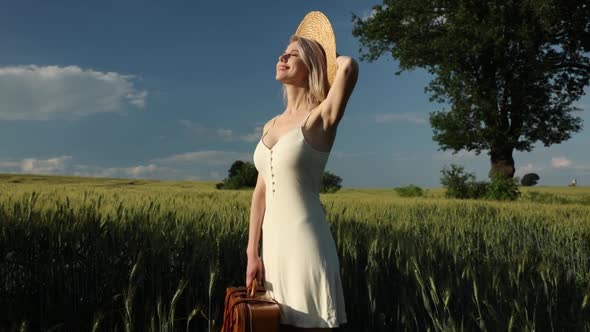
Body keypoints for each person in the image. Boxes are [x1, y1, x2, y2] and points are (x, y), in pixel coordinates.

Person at [246, 12, 358, 332]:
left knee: (311, 323)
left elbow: (348, 67)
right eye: (284, 52)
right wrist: (252, 252)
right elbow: (261, 191)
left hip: (306, 242)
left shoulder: (320, 119)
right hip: (273, 246)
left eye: (294, 54)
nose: (283, 56)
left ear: (312, 66)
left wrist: (326, 54)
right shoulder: (270, 125)